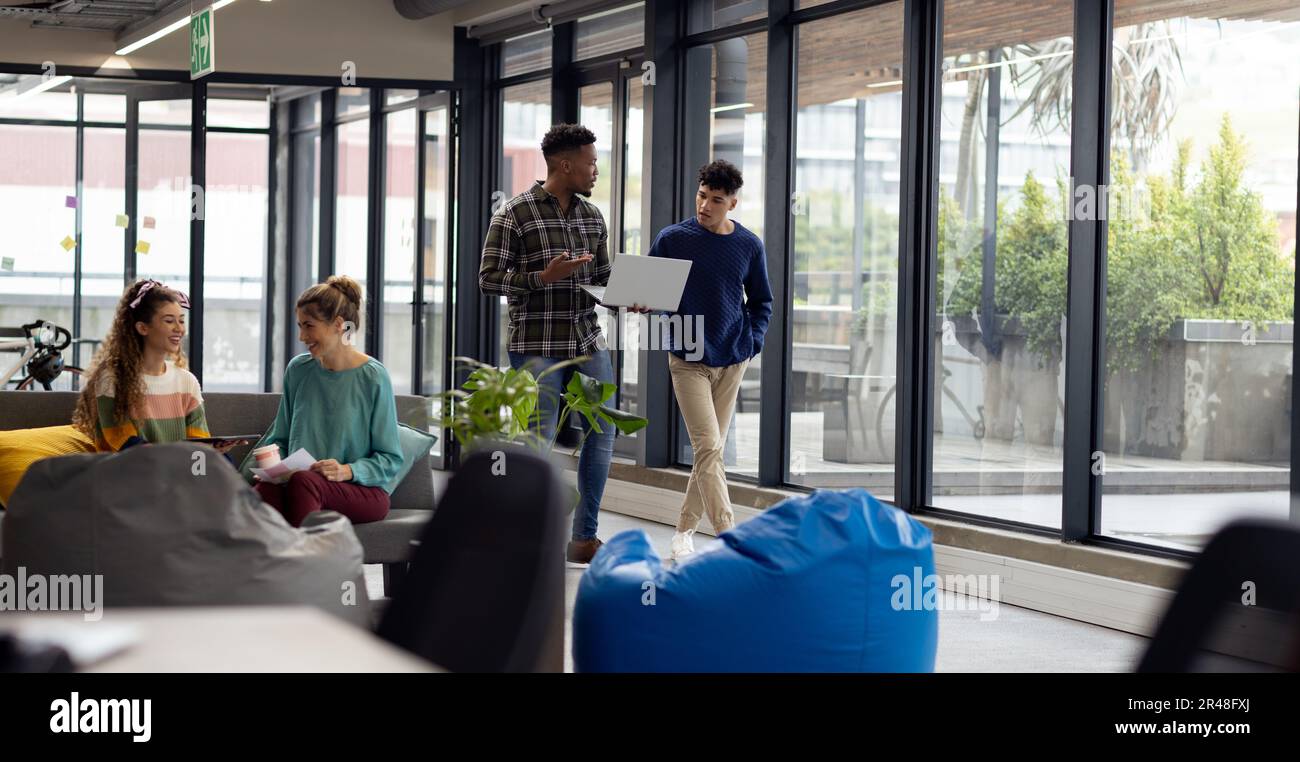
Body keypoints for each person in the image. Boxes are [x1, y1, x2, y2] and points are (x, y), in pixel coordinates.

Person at [479, 122, 616, 565]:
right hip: (535, 345)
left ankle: (584, 537)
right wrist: (542, 277)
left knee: (602, 432)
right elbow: (488, 279)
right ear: (566, 164)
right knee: (534, 442)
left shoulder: (592, 216)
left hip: (587, 339)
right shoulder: (514, 213)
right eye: (591, 162)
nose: (596, 170)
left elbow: (602, 279)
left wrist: (630, 297)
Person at [648, 160, 772, 560]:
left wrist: (752, 341)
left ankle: (684, 530)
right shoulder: (672, 239)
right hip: (688, 358)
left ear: (731, 204)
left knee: (709, 451)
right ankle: (729, 537)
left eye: (716, 200)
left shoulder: (749, 245)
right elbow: (651, 294)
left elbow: (762, 301)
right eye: (702, 196)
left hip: (733, 357)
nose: (704, 206)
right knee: (707, 444)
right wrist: (647, 308)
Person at [245, 275, 402, 528]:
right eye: (299, 326)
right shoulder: (298, 370)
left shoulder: (373, 377)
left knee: (303, 482)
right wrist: (275, 465)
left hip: (361, 491)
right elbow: (281, 437)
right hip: (300, 483)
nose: (301, 336)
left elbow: (390, 459)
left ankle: (306, 563)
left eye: (308, 325)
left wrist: (346, 470)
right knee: (265, 492)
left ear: (338, 324)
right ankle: (271, 565)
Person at [72, 278, 215, 452]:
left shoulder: (187, 382)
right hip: (128, 475)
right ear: (142, 328)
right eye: (169, 321)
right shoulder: (112, 379)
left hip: (177, 475)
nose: (180, 329)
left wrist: (214, 454)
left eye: (182, 320)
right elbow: (125, 446)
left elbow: (199, 449)